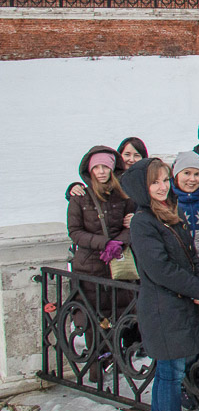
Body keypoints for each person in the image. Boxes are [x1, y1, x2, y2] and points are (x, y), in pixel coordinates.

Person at [120, 158, 199, 411]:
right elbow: (159, 268)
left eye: (164, 180)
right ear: (142, 187)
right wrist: (194, 288)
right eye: (155, 182)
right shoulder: (143, 221)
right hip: (164, 307)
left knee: (166, 370)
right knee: (171, 372)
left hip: (176, 305)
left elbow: (190, 256)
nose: (162, 187)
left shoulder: (167, 213)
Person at [66, 145, 136, 380]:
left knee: (118, 314)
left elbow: (130, 226)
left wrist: (119, 242)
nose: (101, 172)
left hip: (116, 265)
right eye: (96, 167)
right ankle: (97, 368)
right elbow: (75, 231)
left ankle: (118, 362)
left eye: (105, 167)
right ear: (89, 169)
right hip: (90, 265)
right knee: (93, 317)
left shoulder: (123, 195)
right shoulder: (80, 196)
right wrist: (103, 243)